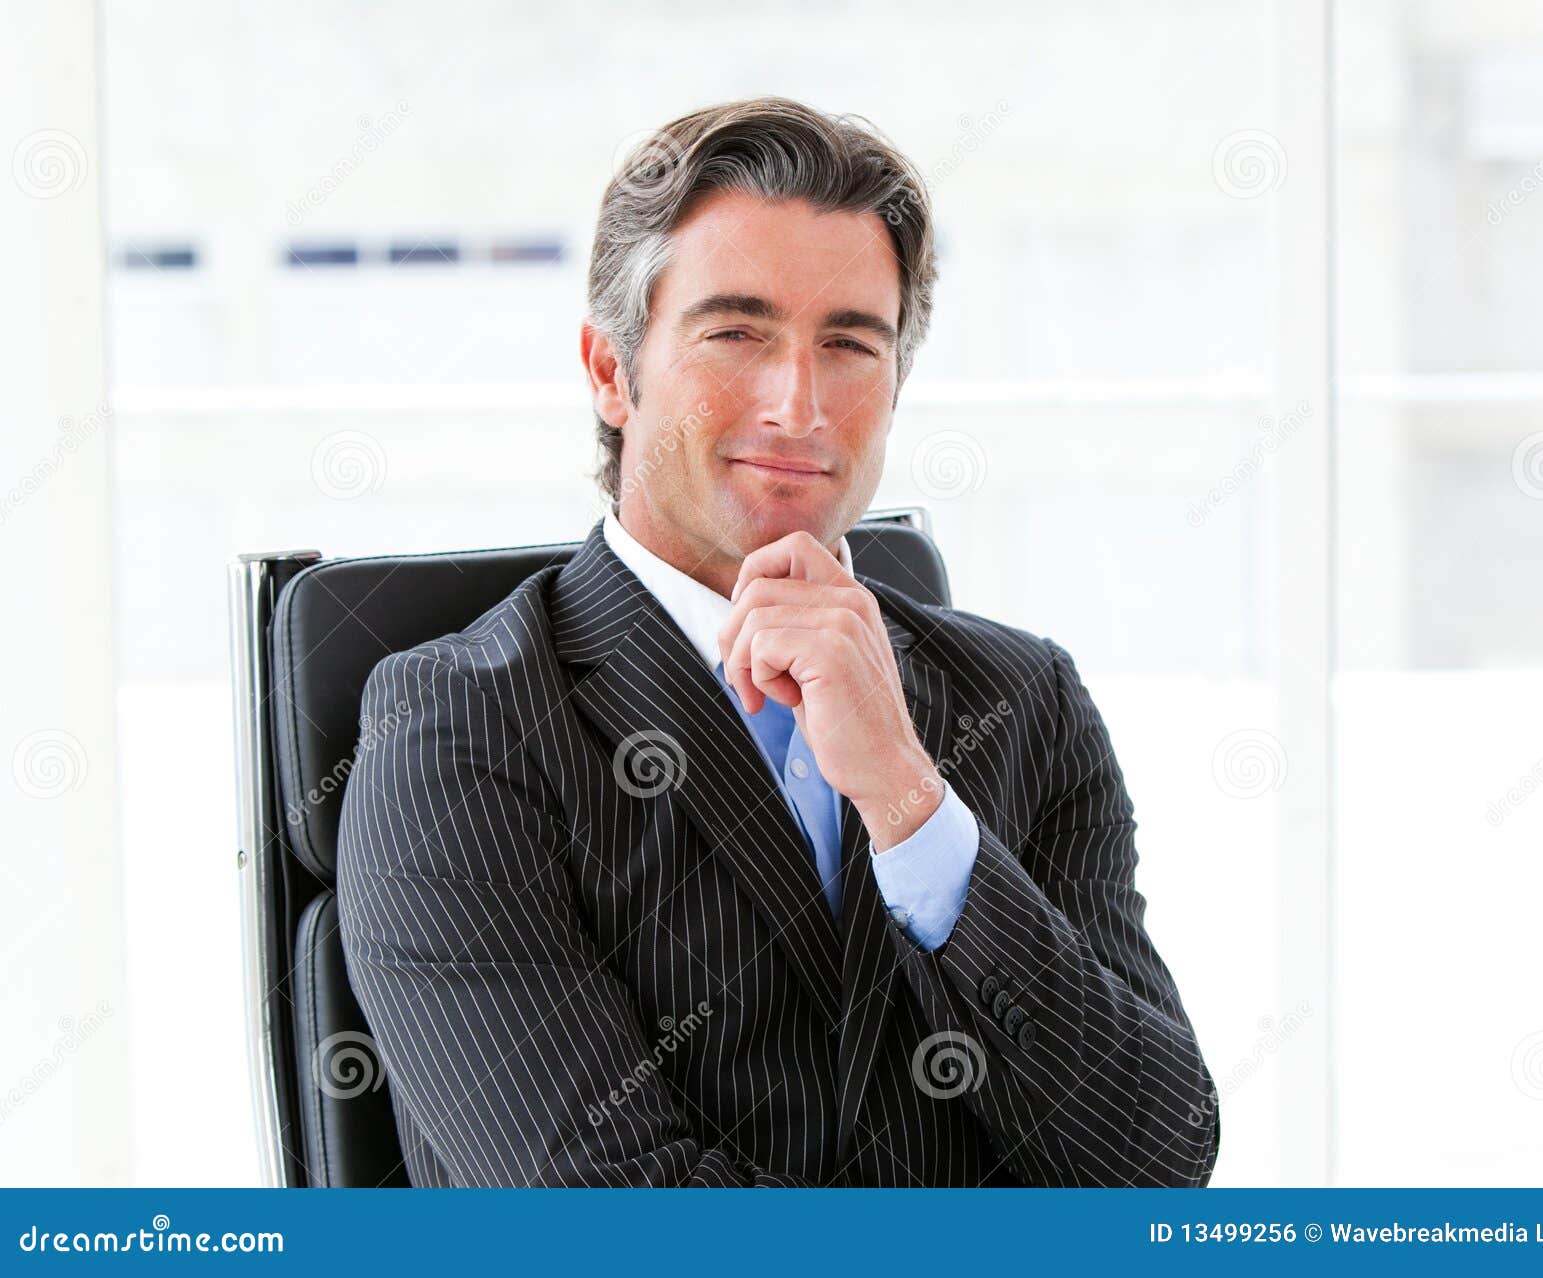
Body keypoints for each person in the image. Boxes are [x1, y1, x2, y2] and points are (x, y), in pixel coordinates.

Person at [336, 95, 1220, 1187]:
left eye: (850, 343)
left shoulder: (1022, 696)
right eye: (735, 332)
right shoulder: (461, 730)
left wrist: (910, 805)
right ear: (613, 372)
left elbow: (1155, 1162)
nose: (799, 404)